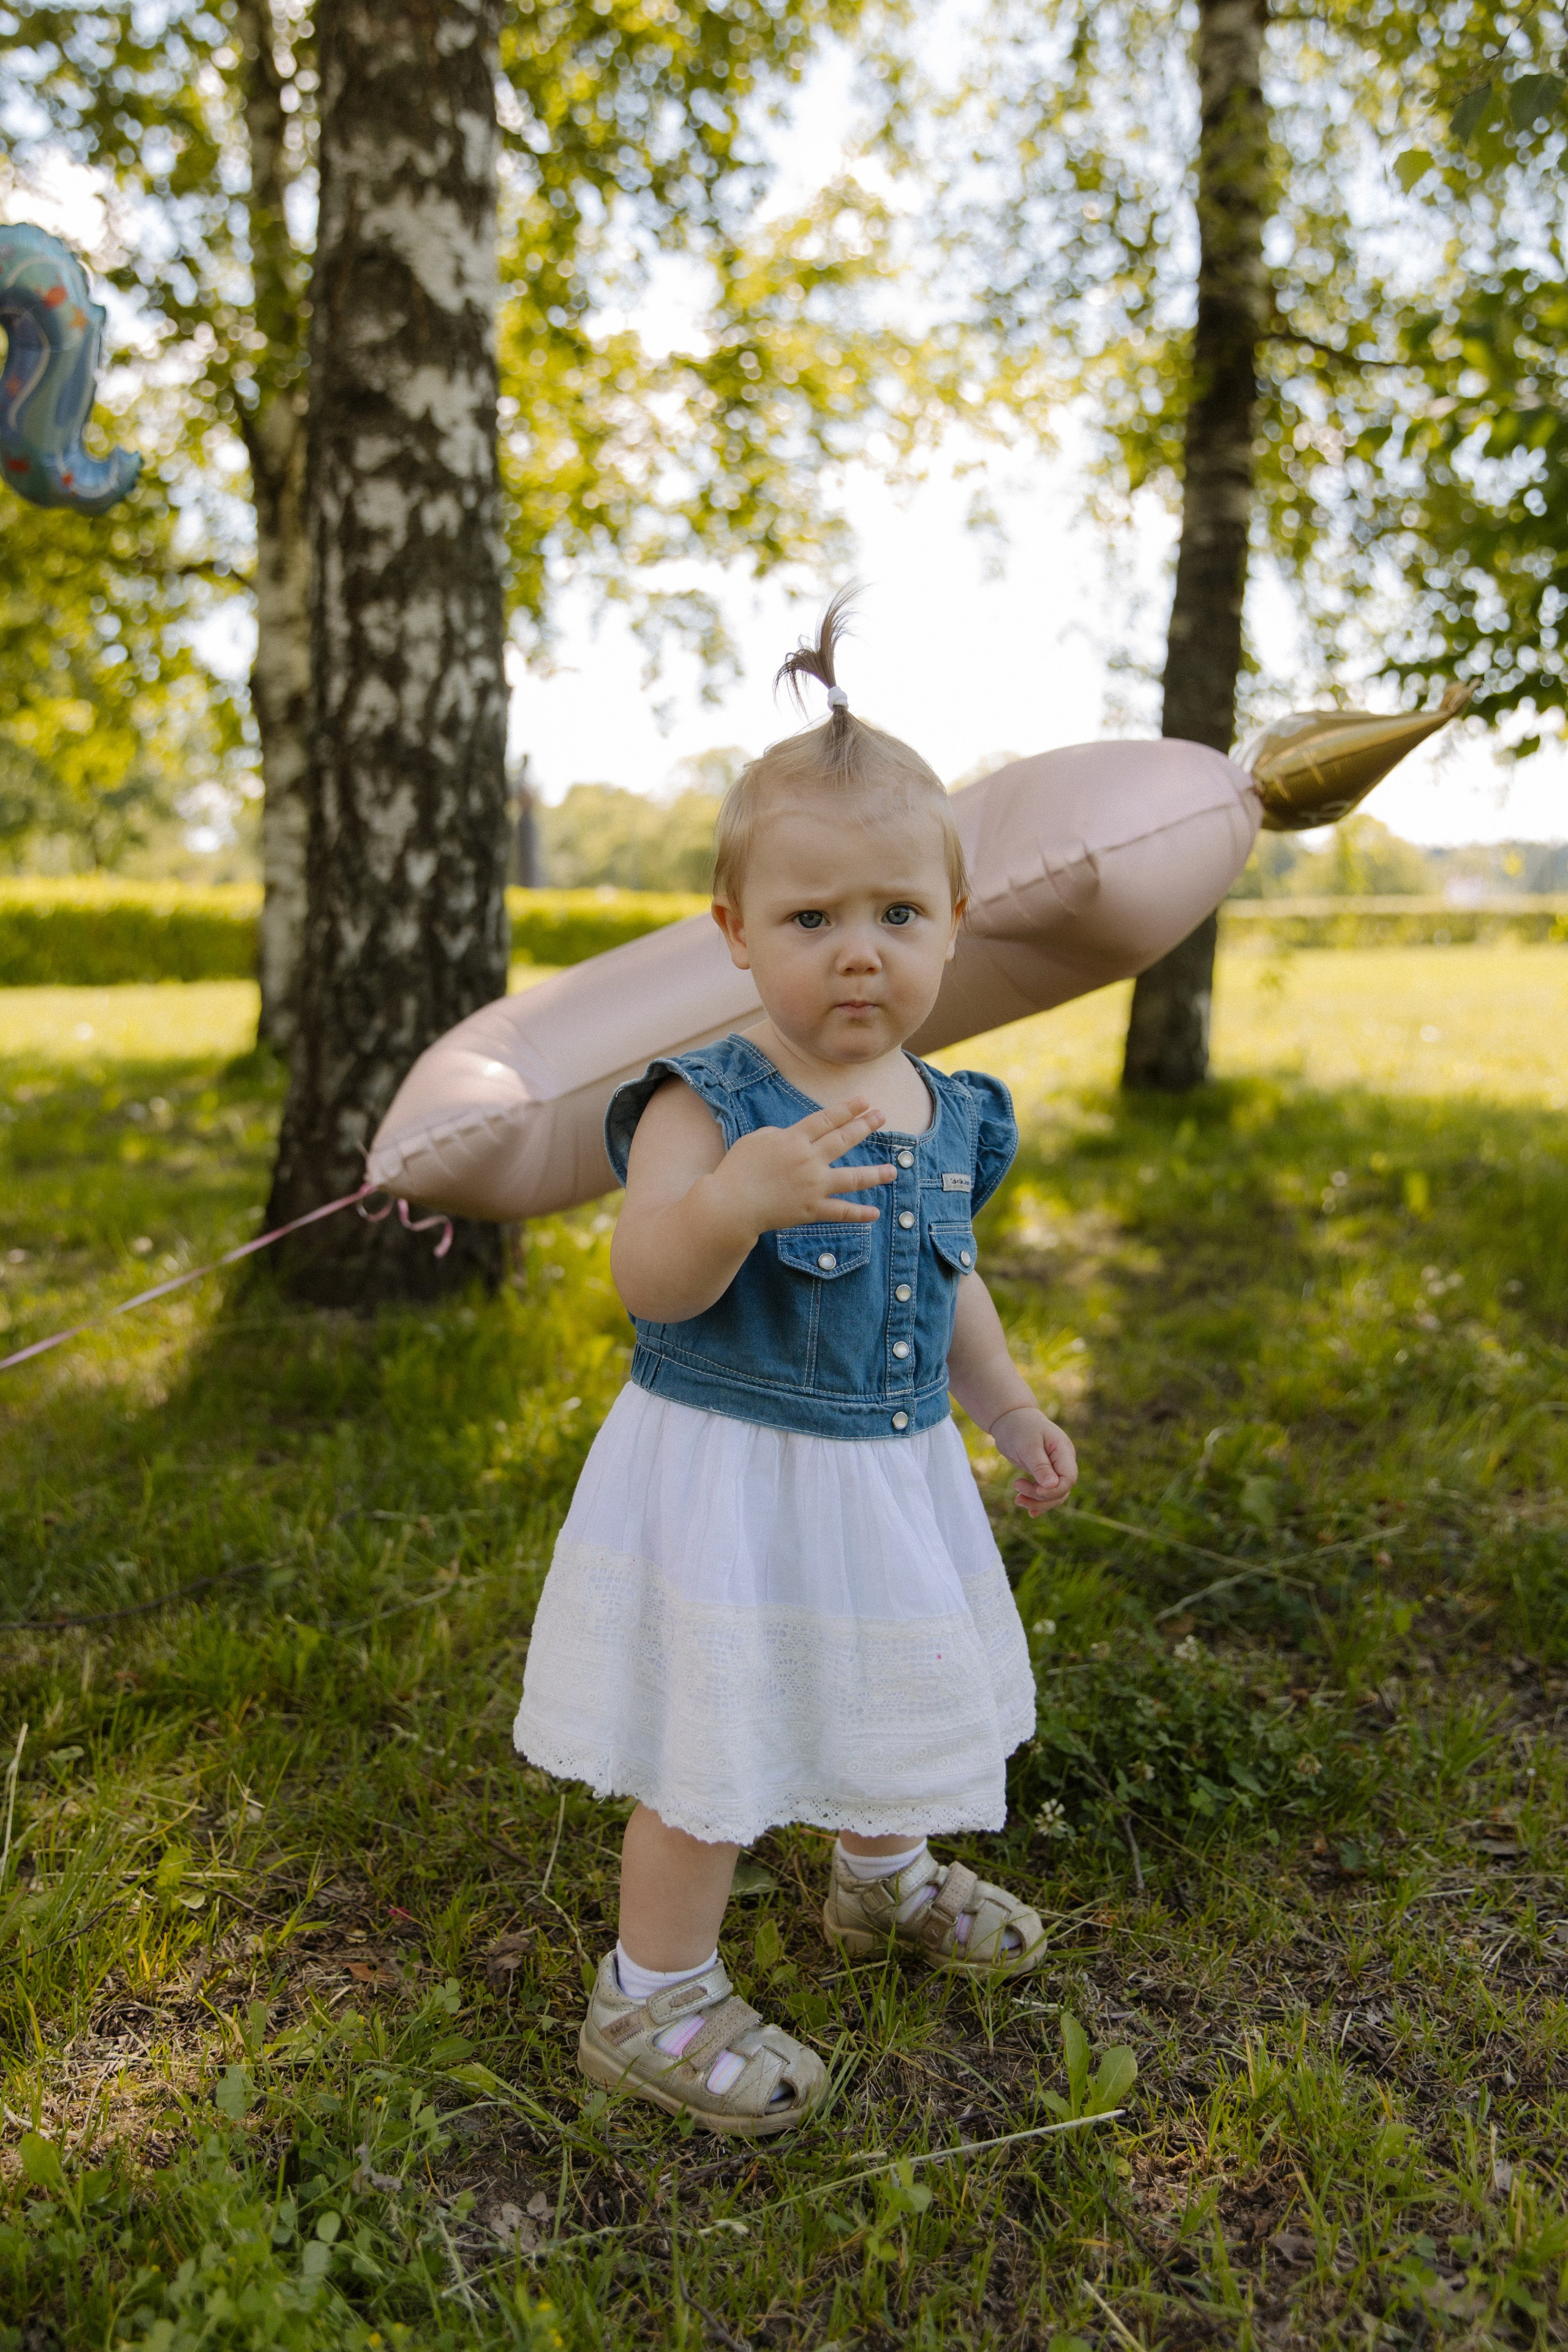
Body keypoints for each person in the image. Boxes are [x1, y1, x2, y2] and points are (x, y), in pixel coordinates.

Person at [514, 592, 1079, 2136]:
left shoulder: (945, 1106)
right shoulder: (708, 1097)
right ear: (734, 933)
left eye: (897, 915)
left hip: (886, 1470)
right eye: (810, 918)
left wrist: (1008, 1402)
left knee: (884, 1678)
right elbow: (648, 1275)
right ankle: (653, 1993)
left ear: (953, 926)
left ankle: (877, 1874)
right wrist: (731, 1201)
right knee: (715, 1732)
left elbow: (947, 1279)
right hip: (729, 1477)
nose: (857, 955)